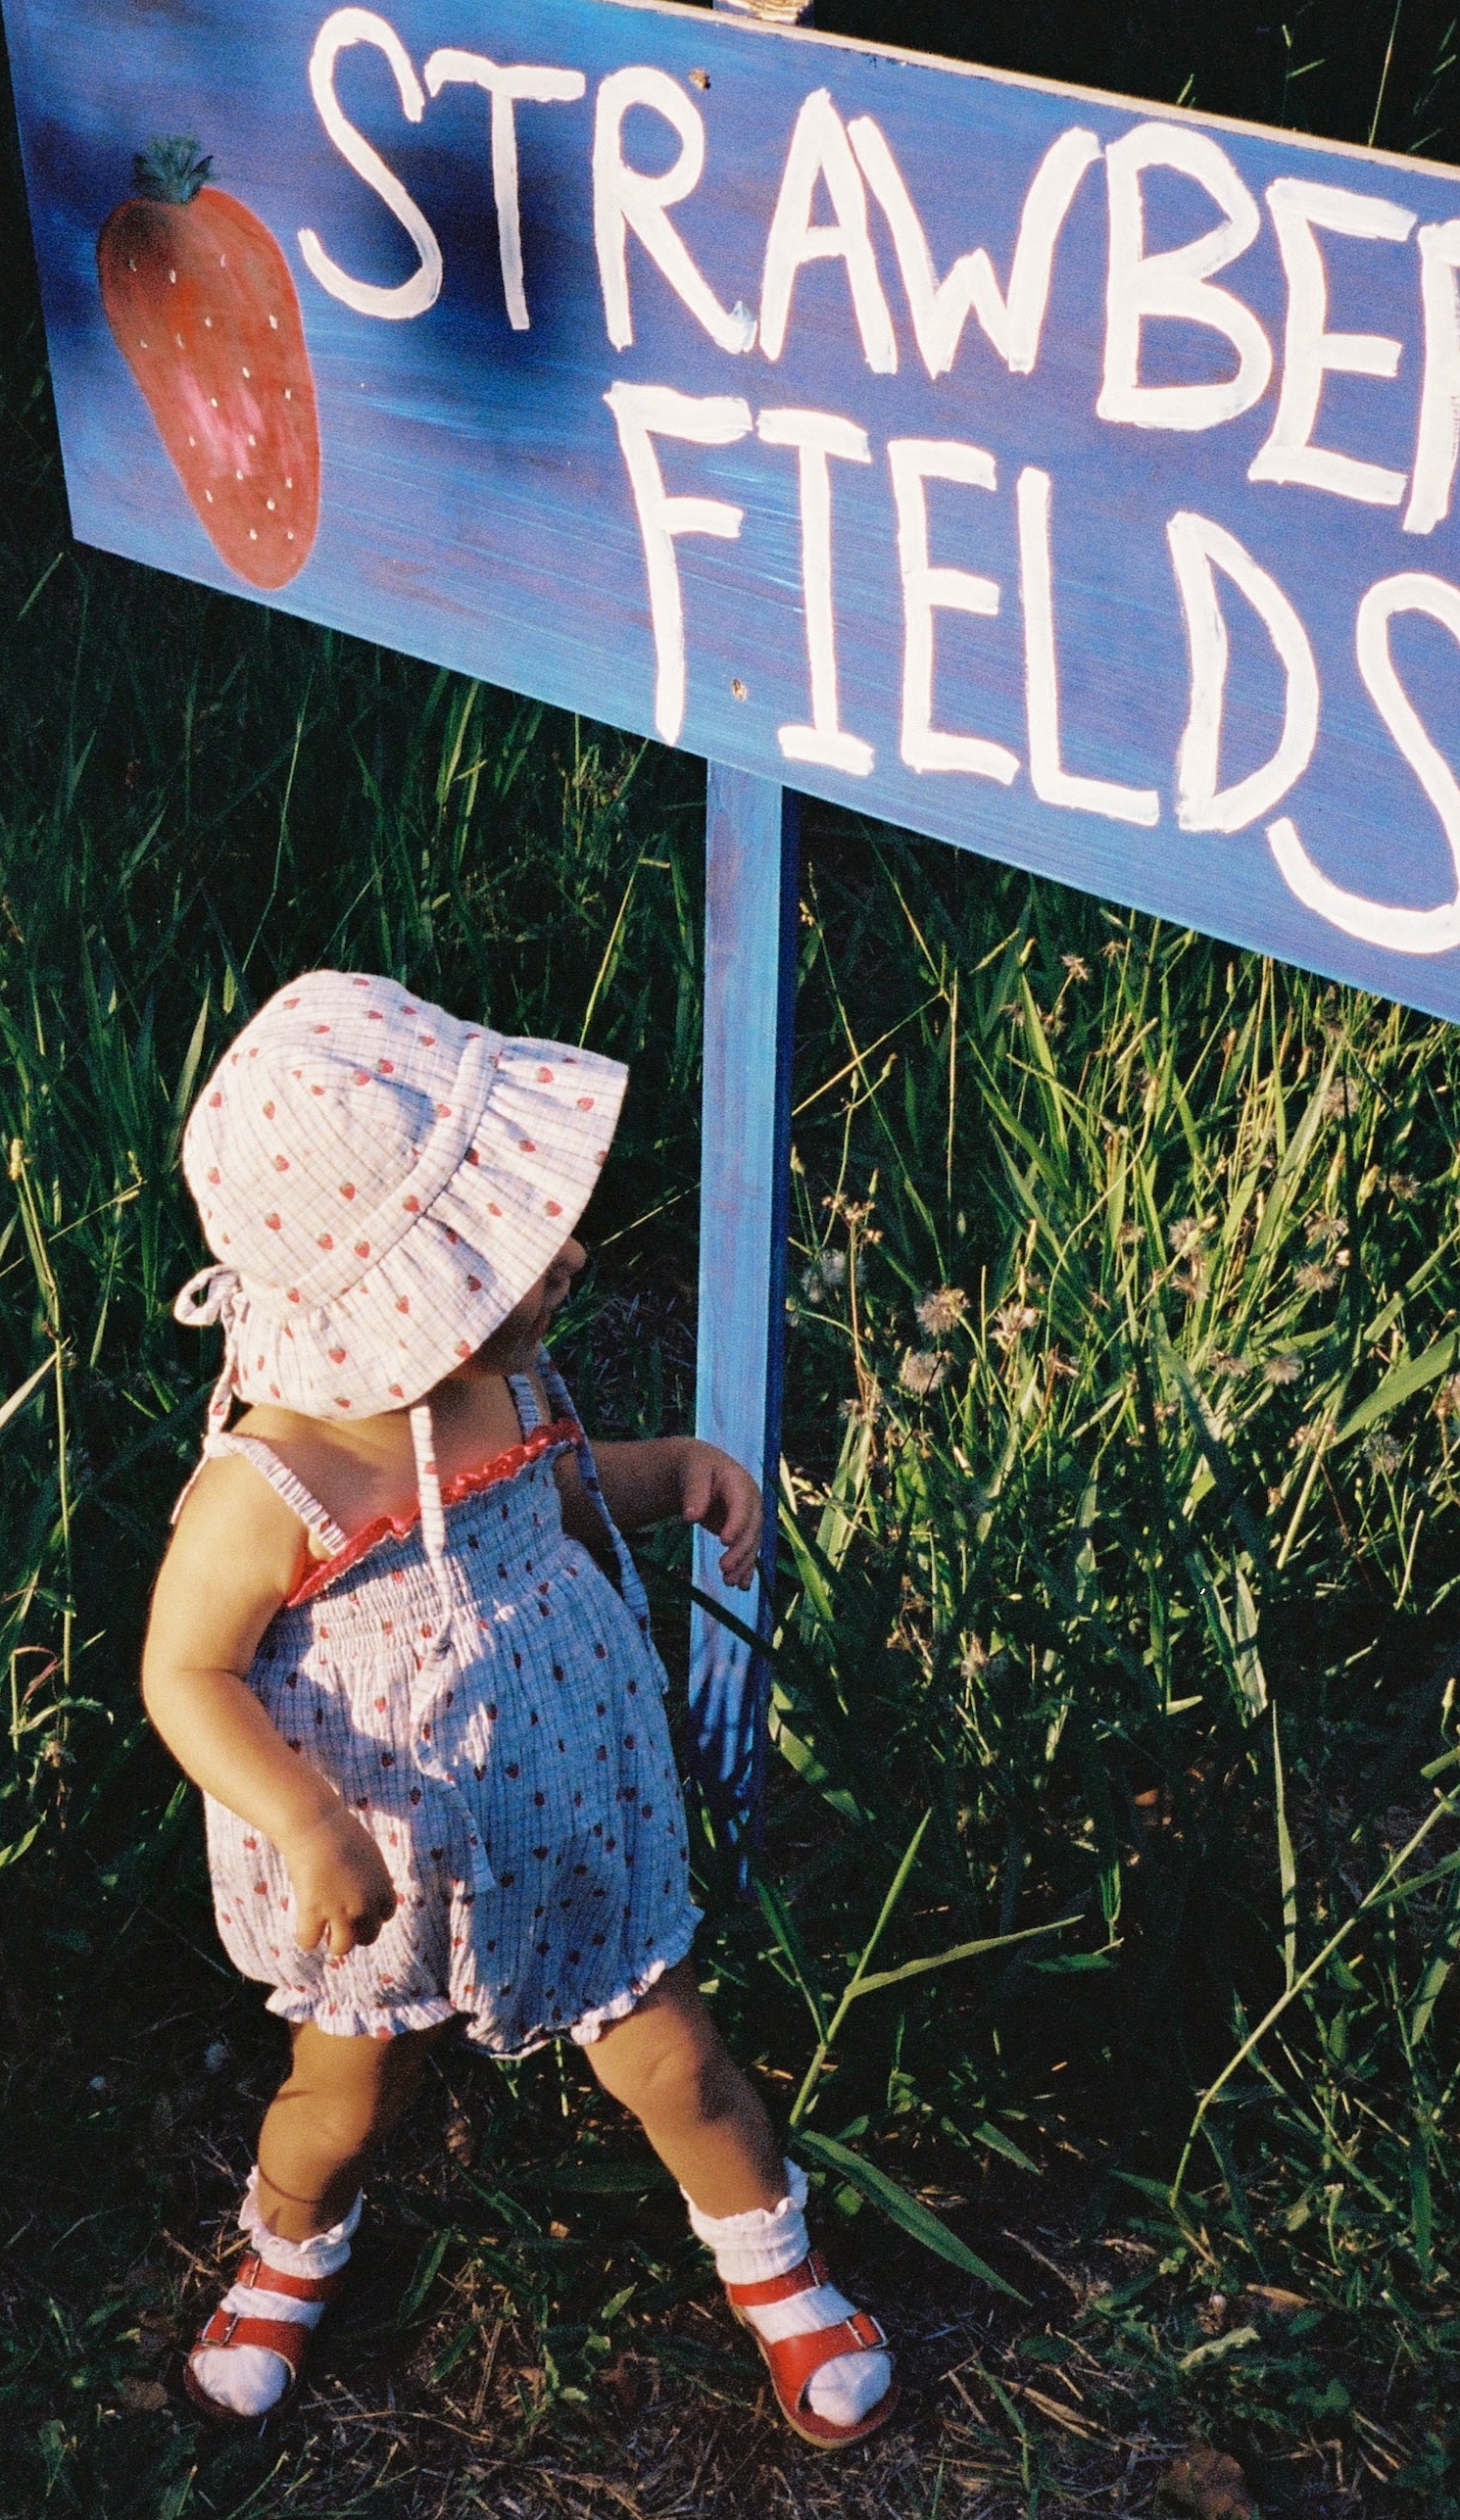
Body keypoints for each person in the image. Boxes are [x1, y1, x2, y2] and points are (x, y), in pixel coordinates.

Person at [141, 970, 894, 2449]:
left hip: (567, 1812)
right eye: (511, 1266)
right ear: (387, 1307)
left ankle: (770, 2252)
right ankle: (289, 2247)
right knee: (339, 2098)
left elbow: (542, 1490)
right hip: (379, 1859)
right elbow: (184, 1671)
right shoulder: (276, 1478)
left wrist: (660, 1467)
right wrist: (303, 1818)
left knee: (674, 2056)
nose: (560, 1271)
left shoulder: (490, 1383)